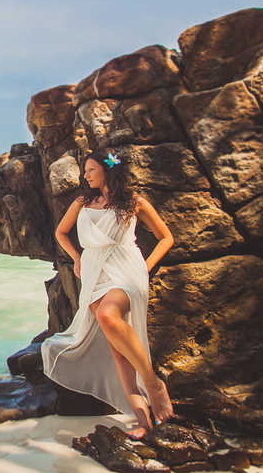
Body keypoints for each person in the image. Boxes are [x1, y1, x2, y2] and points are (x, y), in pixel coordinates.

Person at [41, 148, 174, 439]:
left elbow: (167, 238)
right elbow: (61, 233)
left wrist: (146, 267)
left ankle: (153, 384)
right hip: (93, 273)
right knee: (118, 352)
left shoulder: (135, 203)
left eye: (90, 169)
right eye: (84, 171)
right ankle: (142, 419)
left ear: (106, 169)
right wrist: (76, 258)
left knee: (107, 315)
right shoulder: (81, 203)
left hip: (126, 270)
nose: (85, 176)